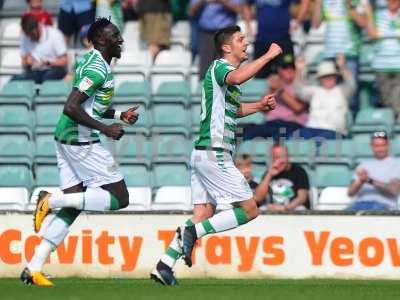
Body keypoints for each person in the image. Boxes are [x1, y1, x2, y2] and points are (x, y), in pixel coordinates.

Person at [150, 25, 282, 285]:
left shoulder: (225, 76)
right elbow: (237, 78)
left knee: (203, 212)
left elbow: (233, 110)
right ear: (226, 47)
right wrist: (268, 56)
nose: (245, 42)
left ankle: (164, 265)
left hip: (203, 154)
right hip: (215, 152)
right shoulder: (220, 67)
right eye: (240, 39)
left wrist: (259, 106)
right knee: (250, 210)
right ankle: (193, 233)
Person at [20, 18, 140, 287]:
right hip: (79, 141)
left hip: (66, 137)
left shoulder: (92, 61)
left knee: (75, 205)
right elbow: (71, 106)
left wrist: (120, 115)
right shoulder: (98, 69)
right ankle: (51, 200)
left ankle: (34, 267)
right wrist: (106, 130)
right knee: (119, 197)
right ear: (101, 40)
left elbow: (90, 106)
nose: (120, 40)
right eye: (115, 36)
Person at [312, 0, 366, 114]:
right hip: (329, 54)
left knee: (351, 96)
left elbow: (363, 23)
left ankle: (351, 126)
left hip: (349, 53)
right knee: (330, 94)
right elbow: (315, 25)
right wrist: (317, 3)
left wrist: (349, 4)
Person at [243, 54, 308, 140]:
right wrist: (271, 89)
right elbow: (264, 109)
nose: (289, 70)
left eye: (292, 68)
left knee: (281, 138)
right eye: (285, 68)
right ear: (279, 70)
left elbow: (298, 107)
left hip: (291, 124)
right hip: (271, 123)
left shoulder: (301, 85)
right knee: (247, 134)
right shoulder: (275, 84)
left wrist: (280, 90)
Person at [292, 54, 355, 139]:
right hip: (312, 129)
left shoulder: (342, 91)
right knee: (294, 137)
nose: (328, 79)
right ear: (320, 79)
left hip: (334, 131)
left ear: (335, 77)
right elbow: (299, 90)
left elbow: (351, 84)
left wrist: (342, 67)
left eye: (331, 76)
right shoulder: (314, 91)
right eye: (325, 76)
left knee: (321, 141)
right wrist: (299, 70)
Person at [243, 0, 310, 78]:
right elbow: (246, 4)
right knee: (260, 76)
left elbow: (305, 1)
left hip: (283, 40)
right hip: (261, 40)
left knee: (288, 75)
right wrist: (248, 26)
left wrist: (298, 22)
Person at [189, 0, 244, 80]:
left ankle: (228, 92)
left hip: (227, 35)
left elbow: (239, 9)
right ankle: (205, 91)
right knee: (205, 72)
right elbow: (191, 12)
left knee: (227, 70)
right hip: (206, 34)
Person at [347, 131, 400, 210]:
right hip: (358, 204)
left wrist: (369, 180)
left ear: (388, 145)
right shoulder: (363, 165)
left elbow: (394, 190)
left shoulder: (396, 164)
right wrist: (360, 181)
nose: (379, 149)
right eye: (376, 146)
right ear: (371, 146)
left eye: (382, 145)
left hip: (383, 206)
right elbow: (350, 193)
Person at [365, 0, 400, 115]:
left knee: (397, 100)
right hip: (381, 65)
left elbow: (377, 34)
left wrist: (382, 35)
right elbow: (372, 34)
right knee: (386, 100)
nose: (392, 2)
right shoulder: (377, 15)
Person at [254, 142, 310, 211]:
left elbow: (302, 198)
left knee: (301, 209)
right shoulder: (269, 172)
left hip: (293, 209)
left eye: (282, 157)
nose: (279, 161)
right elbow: (258, 198)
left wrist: (285, 208)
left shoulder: (299, 172)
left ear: (287, 156)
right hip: (272, 209)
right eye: (276, 158)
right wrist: (269, 174)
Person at [13, 15, 67, 84]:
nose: (30, 37)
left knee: (46, 79)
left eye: (31, 34)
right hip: (34, 71)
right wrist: (28, 62)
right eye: (28, 35)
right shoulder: (25, 37)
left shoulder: (54, 34)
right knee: (15, 80)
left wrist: (47, 63)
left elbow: (64, 61)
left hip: (54, 69)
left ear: (38, 27)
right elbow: (24, 61)